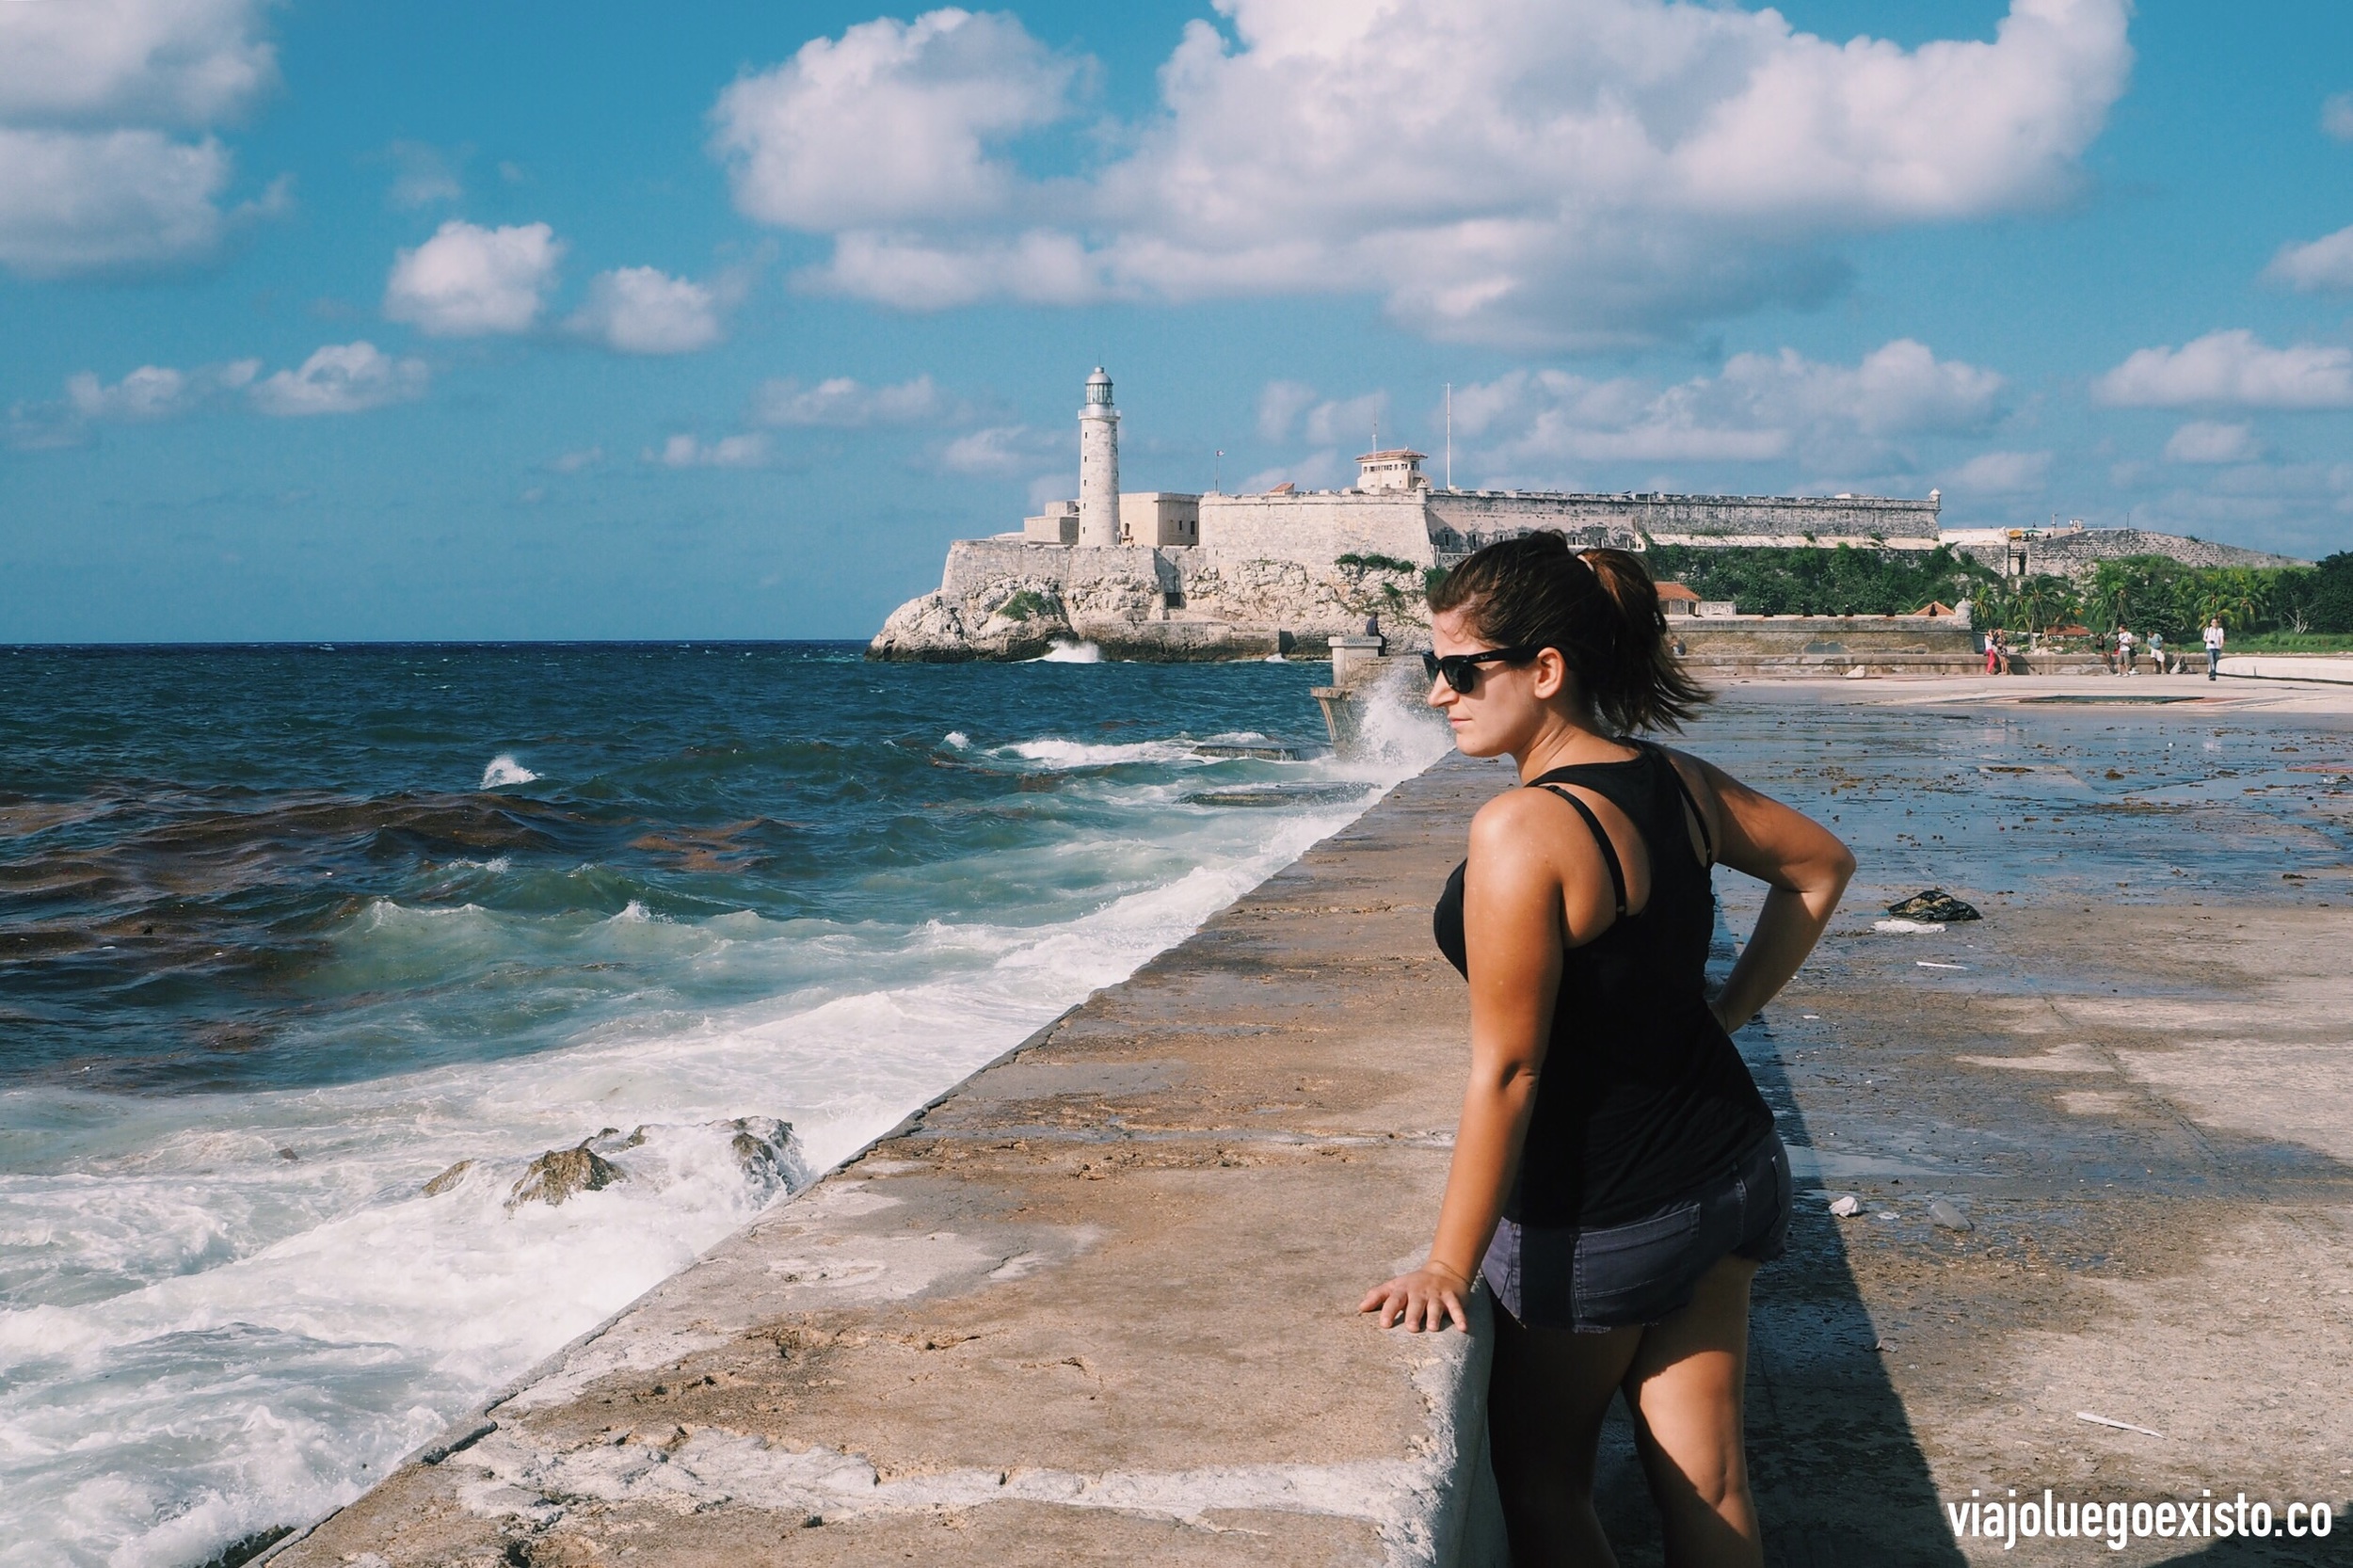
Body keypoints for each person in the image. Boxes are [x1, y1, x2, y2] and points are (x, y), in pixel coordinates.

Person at [1359, 533, 1853, 1567]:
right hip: (1731, 1167)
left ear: (1545, 670)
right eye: (1430, 666)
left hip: (1606, 1212)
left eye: (1460, 670)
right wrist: (1725, 1015)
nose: (1438, 693)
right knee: (1709, 1480)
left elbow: (1510, 1069)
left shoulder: (1523, 827)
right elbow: (1819, 868)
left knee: (1541, 1480)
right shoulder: (1676, 781)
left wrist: (1448, 1261)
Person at [2204, 616, 2225, 680]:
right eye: (2213, 622)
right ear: (2211, 623)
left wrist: (2221, 645)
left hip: (2217, 648)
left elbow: (2221, 638)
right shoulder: (2208, 629)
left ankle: (2211, 673)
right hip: (2210, 647)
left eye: (2216, 622)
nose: (2214, 624)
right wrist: (2208, 641)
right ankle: (2213, 675)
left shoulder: (2220, 630)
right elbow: (2204, 638)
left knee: (2215, 661)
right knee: (2212, 661)